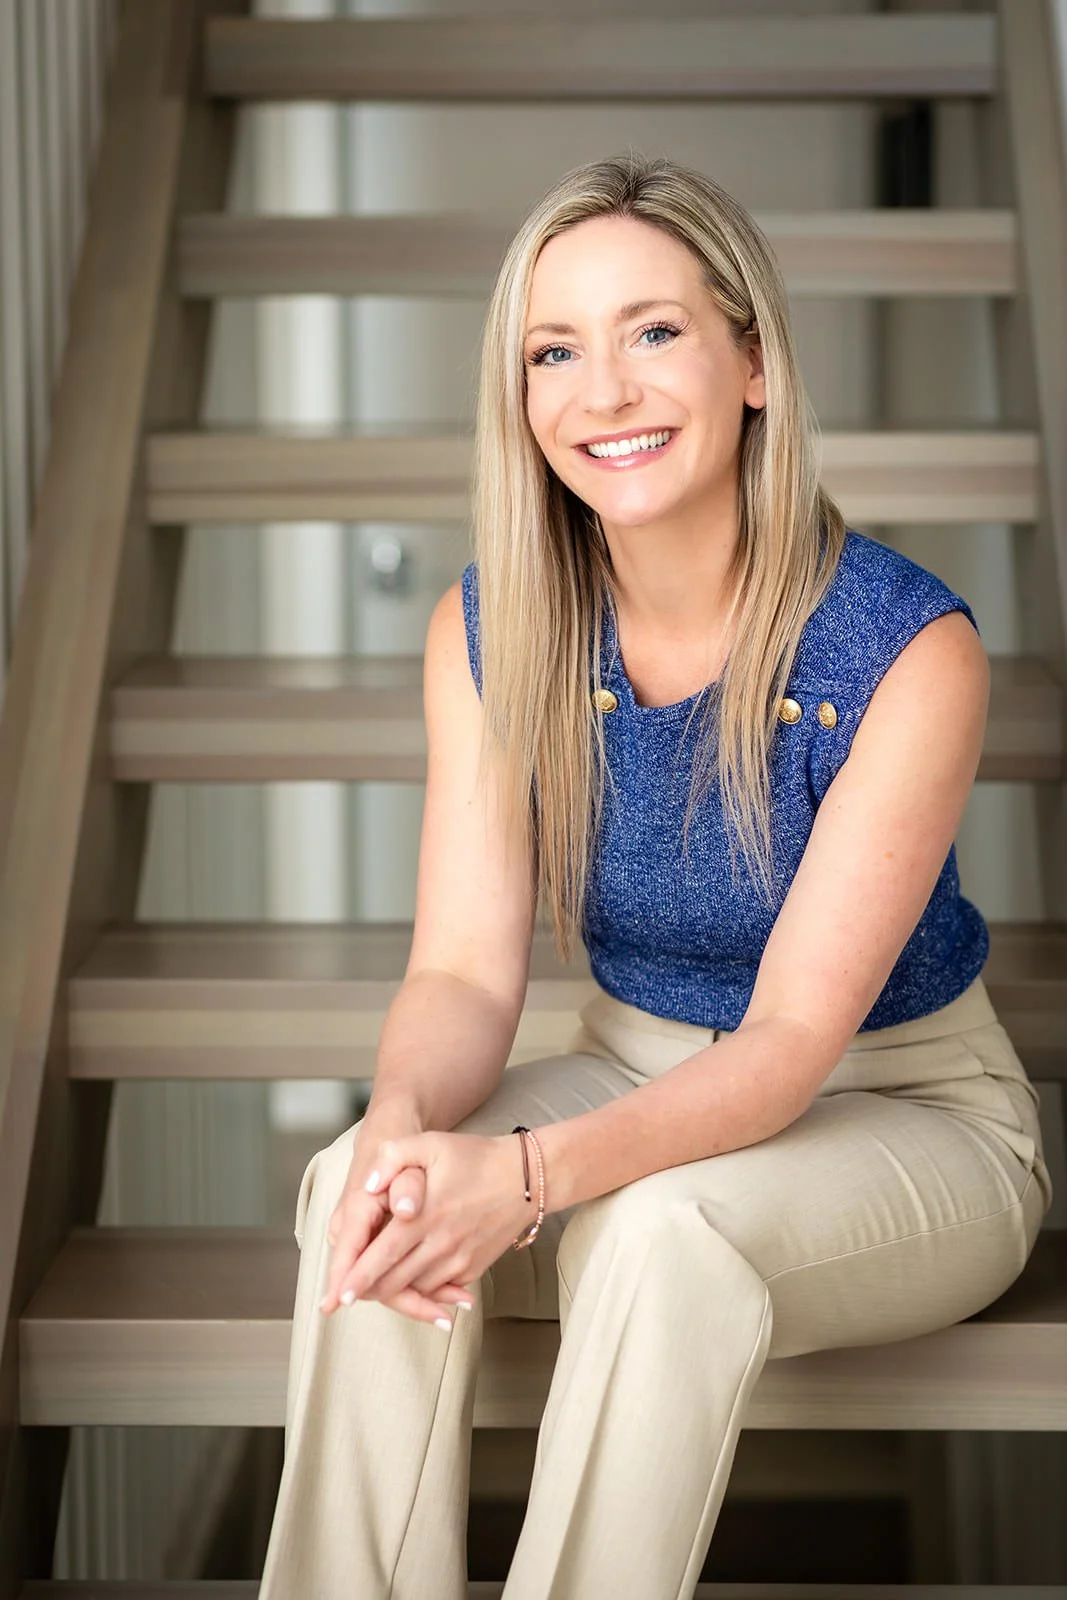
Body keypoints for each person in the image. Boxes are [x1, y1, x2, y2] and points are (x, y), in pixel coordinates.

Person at [259, 155, 1051, 1600]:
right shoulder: (494, 627)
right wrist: (402, 1133)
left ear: (751, 361)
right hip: (623, 1066)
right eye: (554, 350)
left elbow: (789, 1048)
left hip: (900, 1110)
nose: (602, 392)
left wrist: (521, 1176)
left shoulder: (898, 650)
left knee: (659, 1237)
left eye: (654, 332)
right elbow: (461, 971)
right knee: (354, 1191)